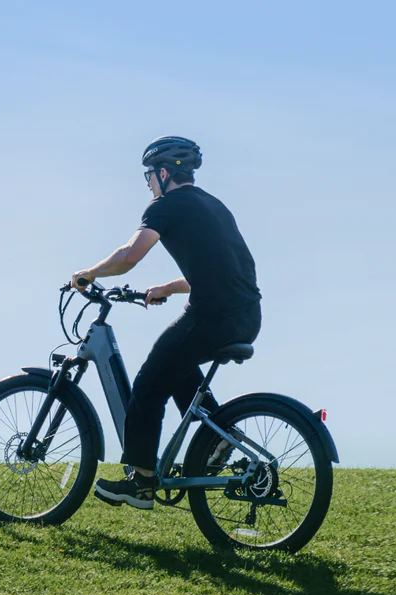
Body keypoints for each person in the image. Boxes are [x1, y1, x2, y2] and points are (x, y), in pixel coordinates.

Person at [71, 136, 262, 510]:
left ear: (163, 172)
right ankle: (219, 436)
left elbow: (130, 255)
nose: (147, 183)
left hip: (212, 316)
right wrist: (170, 288)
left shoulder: (166, 205)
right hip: (246, 316)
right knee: (175, 364)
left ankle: (141, 481)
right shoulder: (214, 205)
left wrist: (89, 274)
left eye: (149, 175)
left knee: (149, 382)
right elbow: (224, 271)